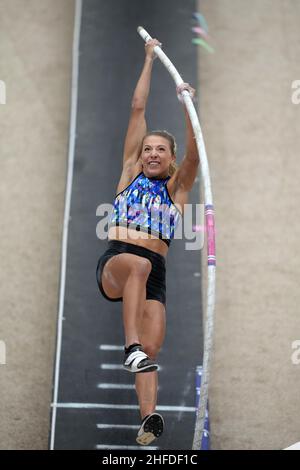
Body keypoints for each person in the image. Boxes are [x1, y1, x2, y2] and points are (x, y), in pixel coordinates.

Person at [96, 38, 199, 446]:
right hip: (117, 262)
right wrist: (149, 59)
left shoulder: (177, 188)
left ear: (169, 158)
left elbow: (194, 156)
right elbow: (138, 108)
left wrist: (189, 107)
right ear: (139, 157)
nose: (152, 153)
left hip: (155, 274)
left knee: (153, 349)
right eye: (148, 149)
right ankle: (129, 346)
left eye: (161, 150)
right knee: (138, 265)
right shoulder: (129, 173)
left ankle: (148, 420)